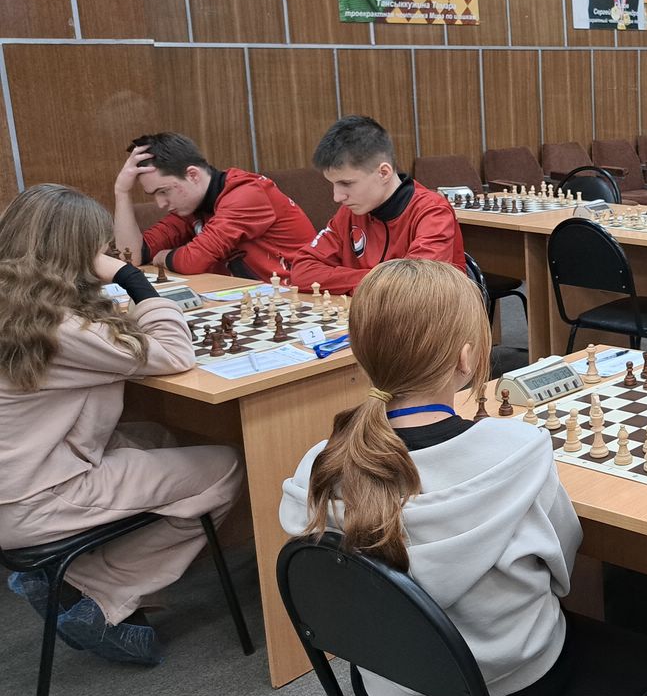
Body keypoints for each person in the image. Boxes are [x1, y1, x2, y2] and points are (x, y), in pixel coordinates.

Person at [280, 259, 580, 696]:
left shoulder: (318, 464)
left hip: (390, 689)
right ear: (467, 358)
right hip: (512, 688)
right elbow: (564, 568)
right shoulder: (518, 450)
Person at [0, 185, 243, 666]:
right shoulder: (60, 328)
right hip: (39, 497)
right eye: (99, 246)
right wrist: (131, 277)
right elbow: (175, 354)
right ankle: (101, 590)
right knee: (227, 465)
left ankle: (84, 569)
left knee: (159, 437)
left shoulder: (20, 307)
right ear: (77, 253)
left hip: (22, 480)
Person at [289, 115, 465, 295]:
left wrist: (350, 282)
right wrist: (376, 280)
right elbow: (302, 271)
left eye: (346, 183)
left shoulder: (432, 212)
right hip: (370, 310)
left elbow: (414, 287)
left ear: (383, 173)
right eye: (333, 184)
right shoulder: (349, 212)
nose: (337, 196)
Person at [110, 132, 316, 280]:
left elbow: (194, 259)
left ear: (193, 175)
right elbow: (132, 256)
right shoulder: (191, 207)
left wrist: (164, 257)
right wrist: (122, 192)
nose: (161, 203)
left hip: (299, 298)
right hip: (252, 299)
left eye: (164, 191)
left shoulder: (247, 194)